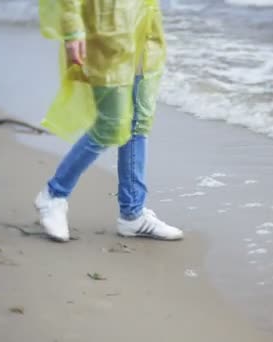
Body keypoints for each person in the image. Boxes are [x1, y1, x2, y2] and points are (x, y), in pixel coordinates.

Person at [35, 0, 183, 242]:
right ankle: (54, 194)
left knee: (139, 123)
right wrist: (72, 30)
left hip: (145, 29)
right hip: (105, 30)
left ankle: (133, 214)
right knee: (110, 125)